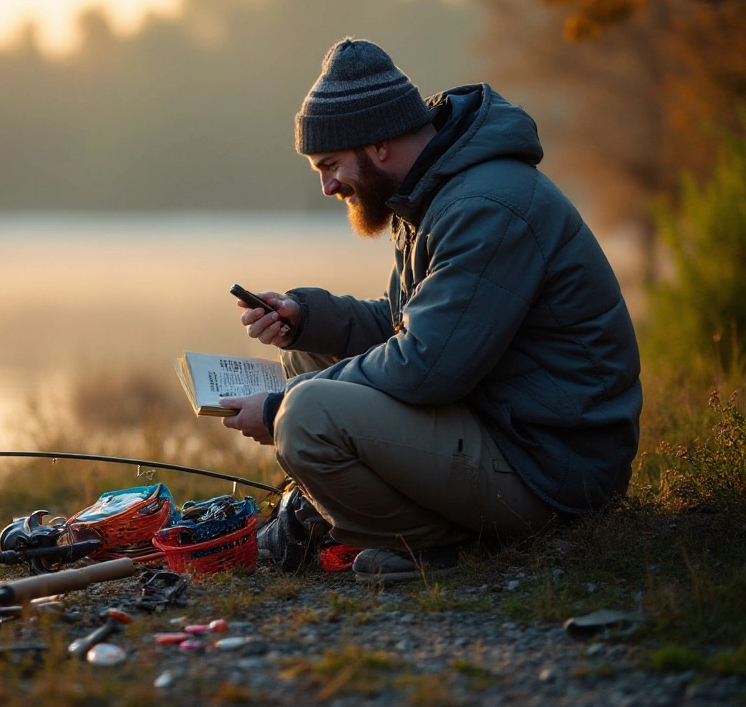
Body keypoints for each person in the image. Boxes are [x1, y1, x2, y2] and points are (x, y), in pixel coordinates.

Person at [219, 38, 642, 581]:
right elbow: (409, 325)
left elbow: (427, 365)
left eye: (329, 165)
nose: (326, 187)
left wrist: (278, 411)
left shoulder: (483, 206)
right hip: (506, 429)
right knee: (310, 358)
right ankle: (335, 516)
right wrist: (307, 317)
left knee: (304, 417)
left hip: (553, 473)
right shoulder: (433, 194)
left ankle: (443, 545)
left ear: (378, 145)